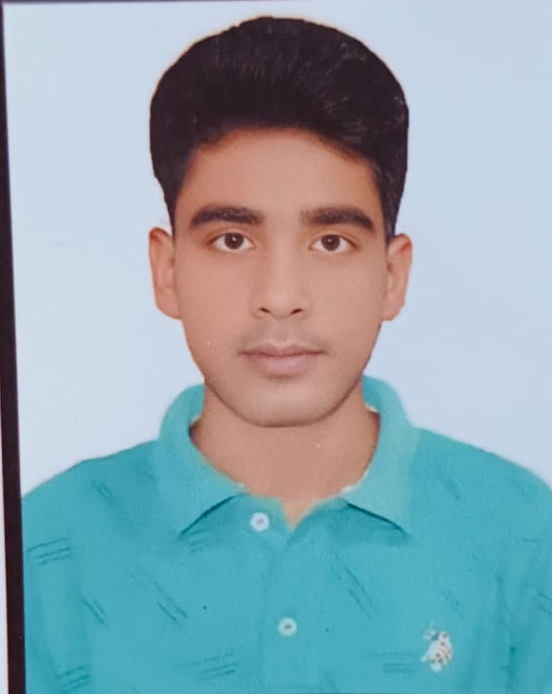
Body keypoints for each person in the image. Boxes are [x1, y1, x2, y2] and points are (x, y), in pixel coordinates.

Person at [22, 15, 552, 694]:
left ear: (393, 276)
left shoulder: (523, 534)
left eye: (330, 242)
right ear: (167, 270)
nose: (279, 297)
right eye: (233, 240)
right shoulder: (43, 548)